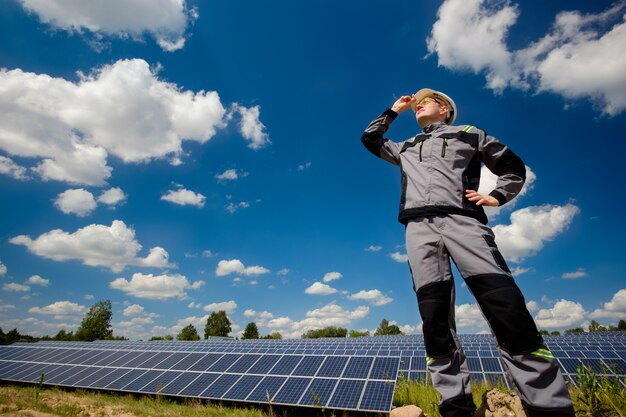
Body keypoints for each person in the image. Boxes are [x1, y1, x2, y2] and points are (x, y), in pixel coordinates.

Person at [361, 89, 575, 417]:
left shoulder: (469, 134)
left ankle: (549, 407)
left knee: (505, 306)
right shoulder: (405, 147)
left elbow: (512, 166)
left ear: (445, 109)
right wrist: (394, 111)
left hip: (464, 223)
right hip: (419, 232)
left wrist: (497, 196)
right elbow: (370, 138)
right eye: (416, 104)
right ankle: (455, 407)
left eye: (425, 102)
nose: (418, 106)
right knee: (434, 320)